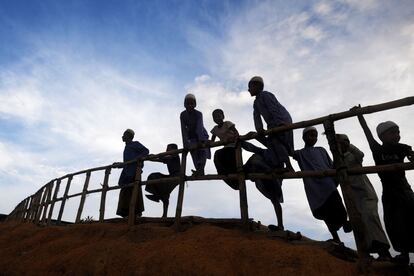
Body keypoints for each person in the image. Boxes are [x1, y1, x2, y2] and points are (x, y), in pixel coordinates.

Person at [355, 110, 414, 264]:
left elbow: (411, 155)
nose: (397, 135)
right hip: (389, 192)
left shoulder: (402, 147)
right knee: (396, 224)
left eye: (398, 132)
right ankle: (404, 255)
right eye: (393, 132)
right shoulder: (377, 149)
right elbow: (367, 132)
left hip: (404, 190)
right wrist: (359, 116)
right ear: (382, 136)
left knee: (411, 219)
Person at [336, 134, 391, 260]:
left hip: (365, 192)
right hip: (351, 196)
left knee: (370, 216)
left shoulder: (353, 155)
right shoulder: (338, 159)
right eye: (341, 142)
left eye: (347, 141)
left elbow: (360, 155)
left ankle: (384, 253)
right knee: (358, 223)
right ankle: (366, 254)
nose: (344, 143)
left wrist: (348, 146)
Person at [293, 127, 351, 243]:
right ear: (304, 137)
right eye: (311, 135)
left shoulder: (321, 150)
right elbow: (286, 150)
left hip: (328, 183)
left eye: (315, 136)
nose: (313, 138)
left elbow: (330, 165)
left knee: (337, 204)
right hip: (314, 187)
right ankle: (336, 239)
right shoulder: (300, 153)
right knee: (325, 214)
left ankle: (345, 223)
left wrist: (335, 177)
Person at [248, 76, 294, 171]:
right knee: (272, 142)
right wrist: (259, 129)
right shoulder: (256, 102)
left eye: (250, 86)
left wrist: (280, 123)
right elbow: (256, 117)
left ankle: (288, 165)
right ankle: (280, 165)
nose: (249, 90)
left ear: (257, 85)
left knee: (276, 141)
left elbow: (273, 109)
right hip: (273, 124)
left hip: (282, 120)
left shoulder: (266, 95)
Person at [242, 140, 284, 230]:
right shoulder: (264, 152)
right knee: (254, 158)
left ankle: (280, 225)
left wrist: (272, 171)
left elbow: (281, 173)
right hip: (262, 176)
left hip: (272, 180)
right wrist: (241, 142)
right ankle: (247, 170)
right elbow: (252, 147)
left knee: (275, 200)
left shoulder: (280, 157)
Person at [115, 129, 149, 218]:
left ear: (129, 136)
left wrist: (138, 158)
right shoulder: (127, 147)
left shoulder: (135, 144)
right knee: (125, 191)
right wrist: (119, 164)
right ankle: (125, 213)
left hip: (134, 171)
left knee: (135, 190)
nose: (122, 136)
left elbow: (146, 151)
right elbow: (128, 162)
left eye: (124, 135)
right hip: (126, 172)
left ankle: (137, 212)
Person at [145, 143, 181, 218]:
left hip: (176, 176)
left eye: (168, 149)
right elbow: (159, 160)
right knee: (154, 177)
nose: (166, 150)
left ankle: (157, 196)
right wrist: (151, 158)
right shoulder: (169, 156)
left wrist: (154, 156)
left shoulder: (174, 155)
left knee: (163, 191)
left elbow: (164, 157)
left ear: (174, 150)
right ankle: (164, 213)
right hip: (172, 176)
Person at [180, 93, 211, 176]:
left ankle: (201, 170)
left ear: (195, 104)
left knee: (202, 150)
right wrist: (185, 144)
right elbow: (183, 130)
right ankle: (199, 170)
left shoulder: (198, 114)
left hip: (202, 135)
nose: (190, 105)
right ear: (184, 104)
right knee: (193, 152)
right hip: (192, 137)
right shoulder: (182, 115)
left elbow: (199, 127)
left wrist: (201, 140)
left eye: (192, 103)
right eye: (188, 103)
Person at [210, 109, 239, 190]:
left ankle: (233, 173)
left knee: (230, 157)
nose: (217, 118)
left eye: (219, 116)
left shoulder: (227, 123)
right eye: (214, 117)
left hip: (234, 146)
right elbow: (212, 141)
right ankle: (222, 172)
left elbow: (236, 133)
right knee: (217, 154)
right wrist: (206, 143)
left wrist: (233, 138)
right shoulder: (215, 129)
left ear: (223, 116)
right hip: (226, 148)